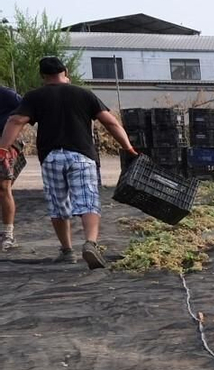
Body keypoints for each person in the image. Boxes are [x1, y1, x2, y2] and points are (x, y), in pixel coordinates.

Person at [0, 56, 138, 268]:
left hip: (51, 157)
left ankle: (67, 251)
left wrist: (3, 148)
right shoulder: (83, 94)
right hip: (82, 156)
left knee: (58, 205)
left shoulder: (35, 96)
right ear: (65, 71)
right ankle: (90, 243)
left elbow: (16, 120)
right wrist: (128, 147)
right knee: (88, 201)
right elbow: (110, 122)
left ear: (43, 75)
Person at [0, 84, 22, 251]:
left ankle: (8, 235)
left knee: (3, 187)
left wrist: (12, 135)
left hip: (4, 144)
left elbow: (27, 111)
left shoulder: (6, 94)